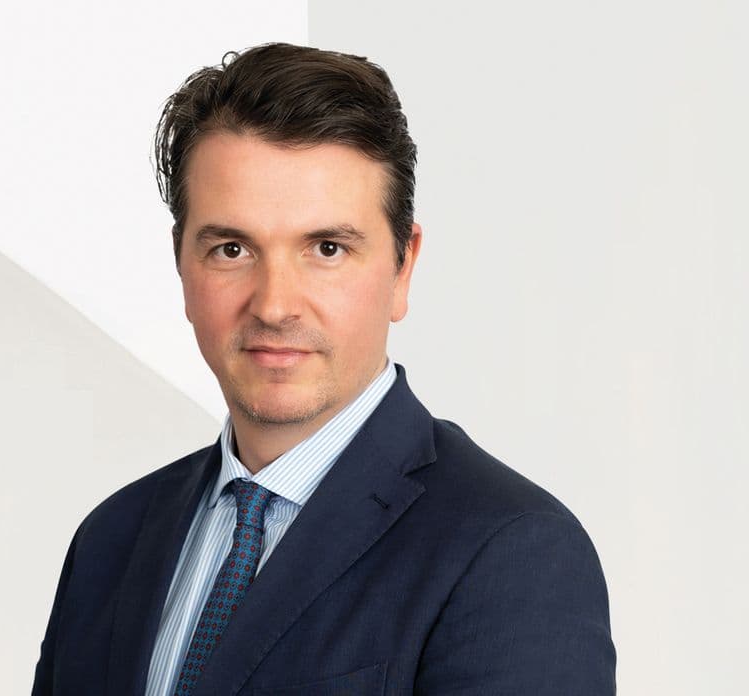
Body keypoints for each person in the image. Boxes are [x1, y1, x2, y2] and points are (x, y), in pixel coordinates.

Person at [31, 43, 616, 695]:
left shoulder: (509, 553)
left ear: (403, 266)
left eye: (327, 248)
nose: (275, 304)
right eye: (231, 248)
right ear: (182, 264)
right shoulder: (112, 539)